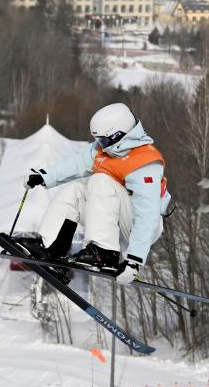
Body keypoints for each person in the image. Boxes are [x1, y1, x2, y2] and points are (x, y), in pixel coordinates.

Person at [12, 103, 171, 284]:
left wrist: (134, 260)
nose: (100, 144)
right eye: (99, 140)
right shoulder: (104, 149)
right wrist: (42, 176)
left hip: (138, 226)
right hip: (112, 217)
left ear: (118, 136)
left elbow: (147, 215)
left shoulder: (145, 164)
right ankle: (51, 248)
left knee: (99, 180)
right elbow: (76, 163)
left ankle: (105, 253)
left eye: (103, 140)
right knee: (76, 191)